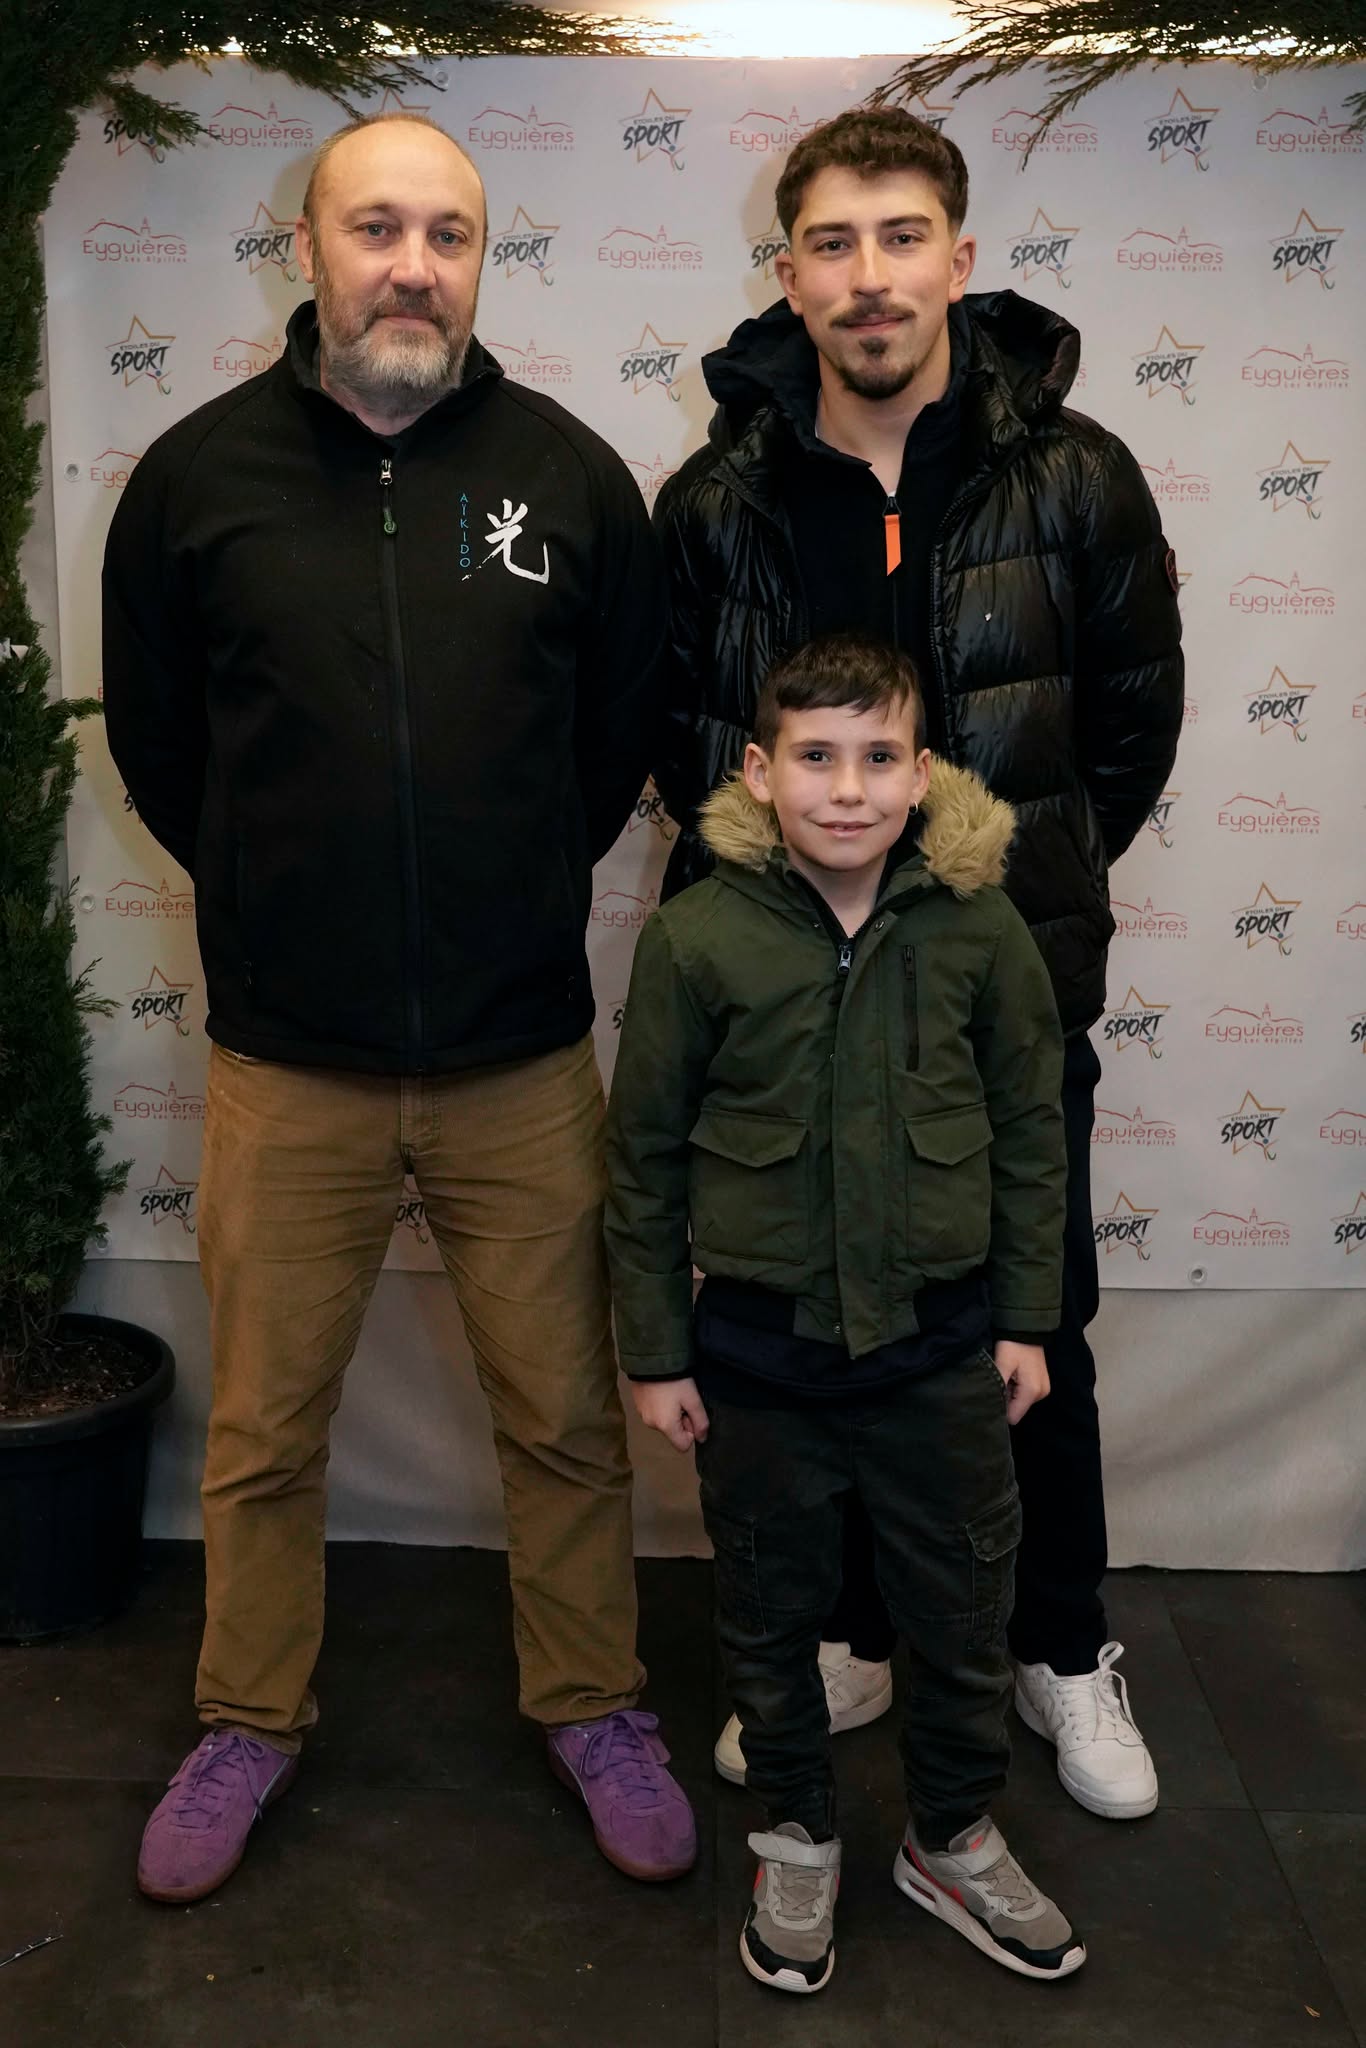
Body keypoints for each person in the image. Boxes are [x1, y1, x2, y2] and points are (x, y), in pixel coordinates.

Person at [102, 110, 695, 1903]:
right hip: (290, 1064)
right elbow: (163, 750)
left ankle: (593, 1701)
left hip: (521, 1057)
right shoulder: (193, 482)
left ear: (481, 261)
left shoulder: (571, 479)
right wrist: (286, 901)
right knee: (264, 1432)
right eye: (377, 228)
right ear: (309, 249)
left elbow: (612, 741)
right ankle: (246, 1719)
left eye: (449, 234)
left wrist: (503, 897)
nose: (413, 266)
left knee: (563, 1420)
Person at [652, 106, 1182, 1819]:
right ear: (788, 272)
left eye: (899, 238)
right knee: (814, 1340)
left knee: (1031, 1326)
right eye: (831, 242)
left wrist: (1002, 917)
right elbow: (685, 737)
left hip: (993, 1004)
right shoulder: (718, 499)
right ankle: (851, 1635)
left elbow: (1127, 735)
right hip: (787, 1021)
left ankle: (1057, 1643)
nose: (867, 276)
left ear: (958, 259)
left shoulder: (1075, 476)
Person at [606, 634, 1083, 1992]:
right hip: (759, 1359)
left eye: (879, 757)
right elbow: (642, 1159)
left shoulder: (979, 929)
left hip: (938, 1351)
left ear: (922, 774)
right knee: (768, 1620)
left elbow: (1028, 1132)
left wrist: (1025, 1321)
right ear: (760, 773)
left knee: (963, 1608)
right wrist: (656, 1351)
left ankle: (951, 1834)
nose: (848, 787)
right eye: (815, 756)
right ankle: (798, 1835)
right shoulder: (697, 938)